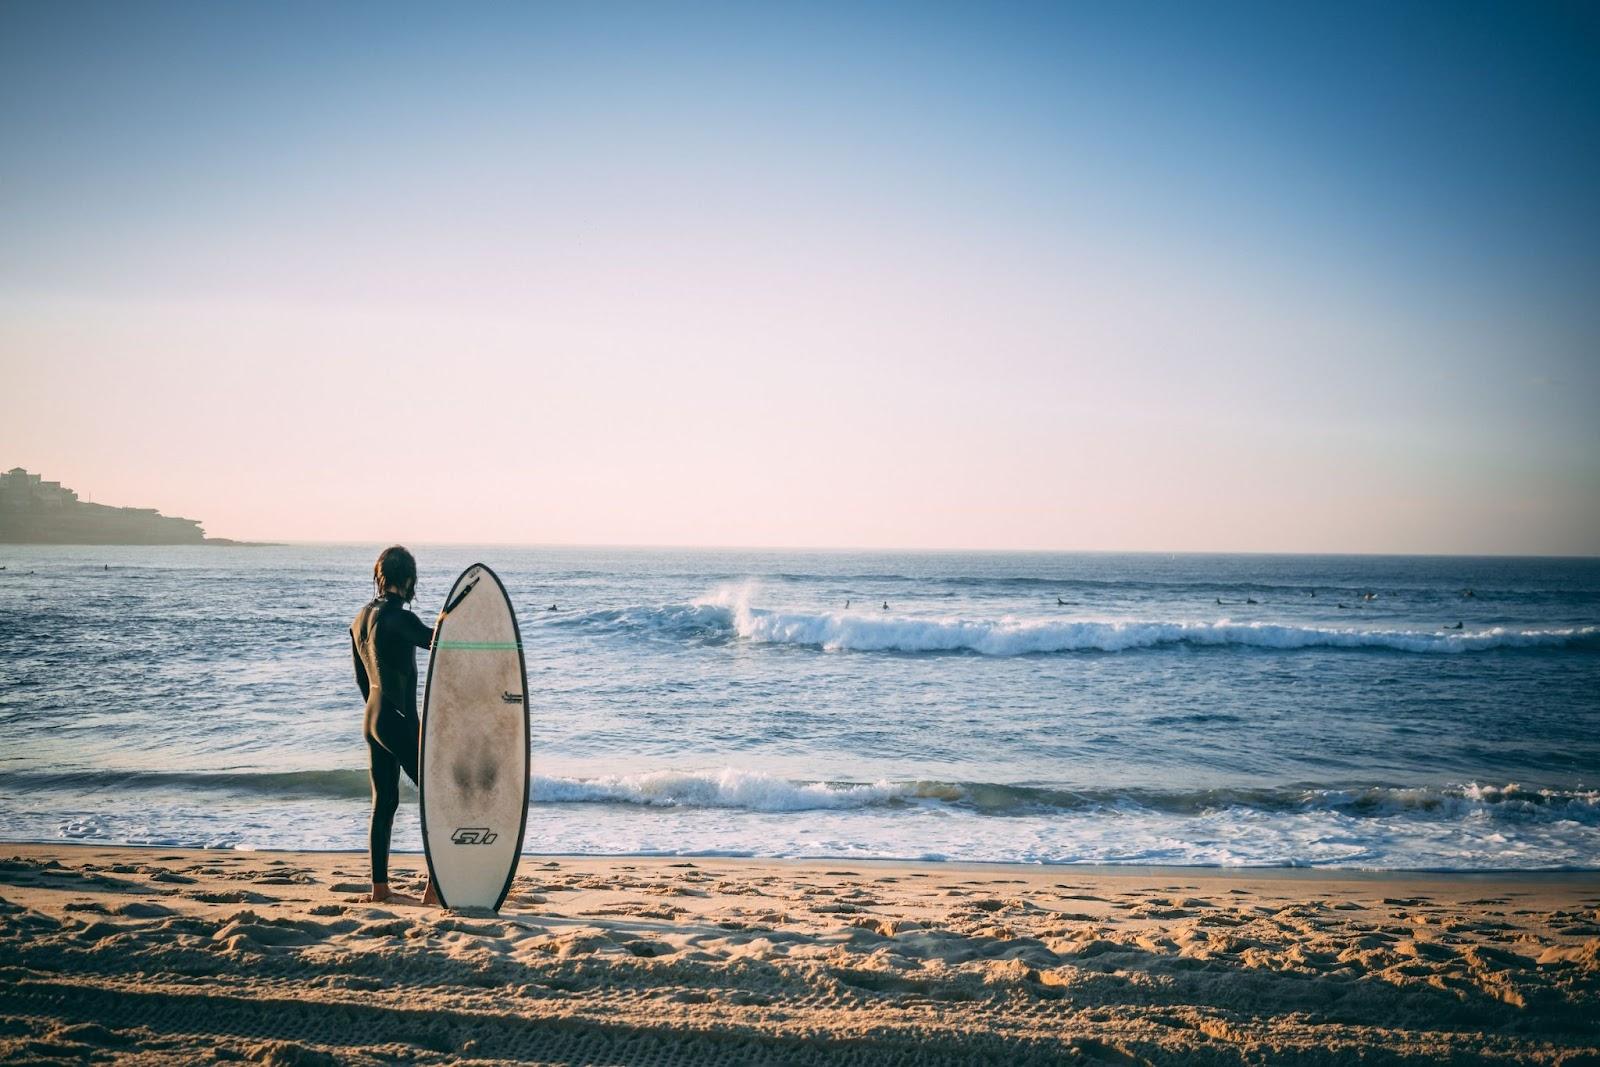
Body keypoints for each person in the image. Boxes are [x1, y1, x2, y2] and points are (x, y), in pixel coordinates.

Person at [351, 545, 442, 906]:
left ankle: (380, 889)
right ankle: (434, 888)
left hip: (372, 718)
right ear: (407, 579)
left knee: (384, 802)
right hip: (398, 718)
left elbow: (362, 679)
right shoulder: (401, 617)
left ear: (380, 576)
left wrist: (382, 720)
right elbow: (438, 642)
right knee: (437, 798)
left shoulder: (360, 619)